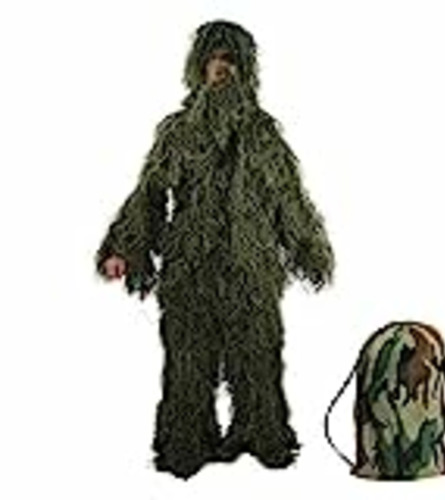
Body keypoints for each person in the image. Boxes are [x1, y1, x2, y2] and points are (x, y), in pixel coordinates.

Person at [95, 20, 335, 479]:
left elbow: (288, 199)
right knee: (188, 364)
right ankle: (187, 442)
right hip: (191, 270)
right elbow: (149, 195)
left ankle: (261, 433)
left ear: (246, 71)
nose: (222, 70)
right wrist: (123, 248)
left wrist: (307, 247)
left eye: (231, 61)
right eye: (214, 60)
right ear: (199, 68)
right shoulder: (178, 133)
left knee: (258, 360)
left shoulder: (263, 136)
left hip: (252, 272)